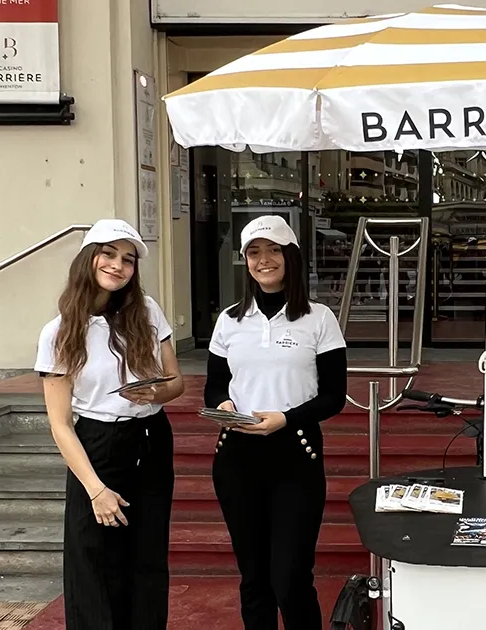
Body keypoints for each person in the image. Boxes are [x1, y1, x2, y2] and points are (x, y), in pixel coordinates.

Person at [35, 218, 185, 629]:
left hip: (151, 438)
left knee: (147, 556)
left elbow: (176, 383)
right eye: (109, 253)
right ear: (88, 257)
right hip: (97, 445)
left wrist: (157, 393)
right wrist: (96, 490)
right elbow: (60, 424)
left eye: (128, 259)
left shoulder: (148, 311)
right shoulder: (60, 332)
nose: (118, 266)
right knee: (92, 560)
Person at [203, 214, 348, 630]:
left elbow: (333, 396)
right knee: (254, 577)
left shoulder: (318, 318)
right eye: (254, 252)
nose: (263, 260)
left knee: (290, 577)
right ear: (245, 260)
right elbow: (214, 386)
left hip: (295, 455)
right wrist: (224, 406)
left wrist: (285, 418)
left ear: (290, 257)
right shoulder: (229, 320)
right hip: (236, 456)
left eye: (273, 250)